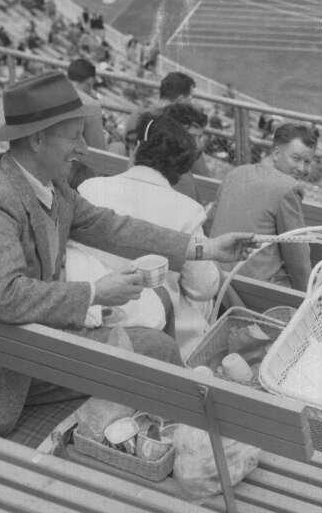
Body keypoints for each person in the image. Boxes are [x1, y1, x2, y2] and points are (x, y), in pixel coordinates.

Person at [0, 70, 255, 436]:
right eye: (74, 137)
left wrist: (204, 247)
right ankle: (182, 446)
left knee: (150, 341)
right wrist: (94, 293)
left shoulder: (44, 184)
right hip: (1, 366)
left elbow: (112, 227)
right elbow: (6, 298)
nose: (83, 148)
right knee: (157, 349)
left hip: (33, 338)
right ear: (38, 139)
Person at [73, 110, 221, 356]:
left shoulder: (90, 187)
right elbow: (203, 288)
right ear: (181, 168)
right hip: (151, 328)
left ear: (137, 148)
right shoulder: (188, 210)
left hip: (88, 315)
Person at [209, 122, 317, 293]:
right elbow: (297, 256)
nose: (302, 168)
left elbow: (210, 222)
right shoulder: (288, 188)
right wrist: (306, 295)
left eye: (307, 162)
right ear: (275, 153)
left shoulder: (236, 173)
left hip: (213, 276)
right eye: (296, 159)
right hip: (252, 289)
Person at [66, 56, 108, 188]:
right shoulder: (91, 105)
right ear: (90, 82)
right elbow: (99, 155)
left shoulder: (49, 92)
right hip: (67, 176)